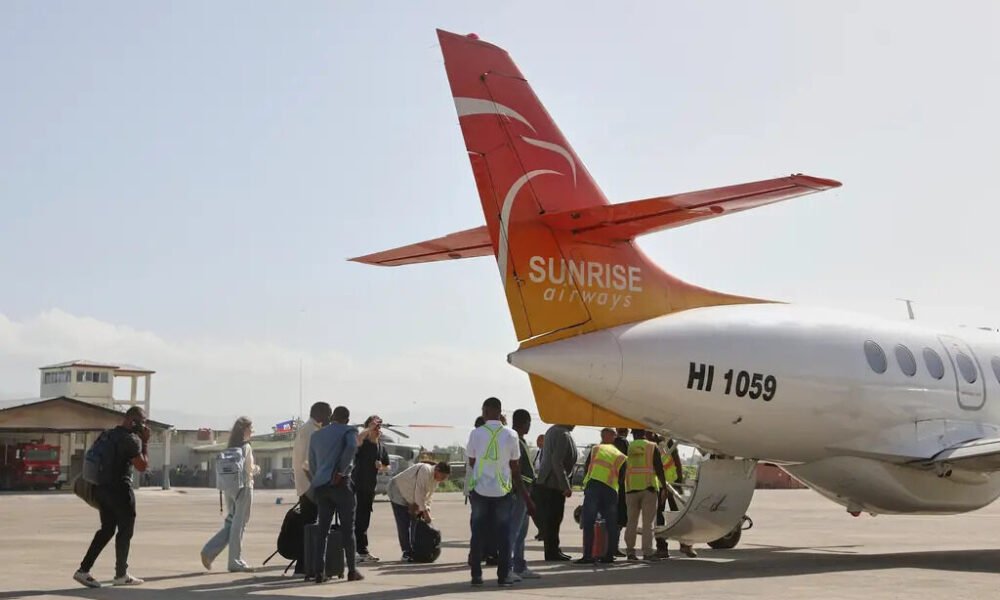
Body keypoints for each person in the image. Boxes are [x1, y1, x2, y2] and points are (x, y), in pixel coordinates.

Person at [74, 406, 150, 588]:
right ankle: (121, 574)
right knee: (126, 529)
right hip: (120, 490)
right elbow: (142, 466)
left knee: (107, 529)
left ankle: (83, 570)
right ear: (133, 421)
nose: (144, 427)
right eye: (143, 423)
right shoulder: (130, 440)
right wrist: (145, 442)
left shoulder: (107, 435)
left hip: (101, 488)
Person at [466, 397, 525, 587]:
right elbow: (515, 465)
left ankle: (476, 575)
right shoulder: (512, 435)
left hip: (480, 490)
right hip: (502, 491)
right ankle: (503, 575)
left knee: (478, 533)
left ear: (485, 412)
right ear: (500, 412)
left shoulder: (476, 433)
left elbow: (472, 461)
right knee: (504, 534)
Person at [308, 405, 363, 583]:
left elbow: (312, 462)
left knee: (322, 530)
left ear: (332, 418)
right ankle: (352, 570)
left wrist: (319, 477)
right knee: (348, 529)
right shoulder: (349, 431)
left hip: (321, 486)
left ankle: (319, 572)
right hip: (341, 485)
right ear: (347, 419)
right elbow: (352, 446)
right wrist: (341, 471)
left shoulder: (316, 436)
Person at [200, 417, 259, 572]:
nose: (252, 431)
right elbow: (249, 469)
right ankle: (235, 560)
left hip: (228, 488)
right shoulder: (246, 447)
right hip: (244, 487)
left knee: (231, 522)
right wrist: (256, 469)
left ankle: (209, 551)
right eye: (251, 429)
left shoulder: (231, 447)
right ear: (245, 430)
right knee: (239, 524)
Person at [576, 428, 627, 565]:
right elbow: (622, 477)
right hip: (610, 489)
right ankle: (609, 555)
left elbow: (587, 467)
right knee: (611, 524)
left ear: (602, 436)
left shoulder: (596, 449)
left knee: (589, 522)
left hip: (593, 487)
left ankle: (588, 555)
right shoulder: (620, 455)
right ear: (613, 437)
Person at [291, 402, 331, 574]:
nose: (329, 418)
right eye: (328, 414)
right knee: (310, 527)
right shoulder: (312, 432)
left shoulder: (308, 429)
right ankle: (303, 566)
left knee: (308, 525)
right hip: (310, 486)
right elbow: (307, 464)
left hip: (306, 484)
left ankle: (305, 565)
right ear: (320, 413)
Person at [387, 461, 451, 560]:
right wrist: (424, 512)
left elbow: (428, 496)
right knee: (404, 523)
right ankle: (406, 552)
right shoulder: (425, 470)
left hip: (410, 495)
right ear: (437, 470)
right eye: (442, 477)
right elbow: (419, 493)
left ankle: (415, 549)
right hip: (397, 490)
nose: (443, 480)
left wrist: (427, 510)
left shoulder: (435, 480)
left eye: (445, 478)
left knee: (415, 522)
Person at [623, 429, 668, 562]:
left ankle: (630, 553)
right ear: (644, 434)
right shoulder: (651, 446)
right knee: (648, 524)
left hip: (631, 489)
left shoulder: (629, 447)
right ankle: (647, 553)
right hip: (649, 489)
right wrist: (664, 487)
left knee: (631, 522)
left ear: (633, 435)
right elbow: (659, 468)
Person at [535, 423, 578, 561]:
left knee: (551, 519)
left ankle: (553, 549)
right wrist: (565, 485)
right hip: (553, 483)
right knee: (554, 519)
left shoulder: (552, 430)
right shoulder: (562, 434)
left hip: (548, 481)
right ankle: (552, 551)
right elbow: (556, 461)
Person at [651, 434, 696, 558]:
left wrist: (679, 482)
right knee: (660, 517)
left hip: (672, 483)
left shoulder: (667, 441)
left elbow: (676, 461)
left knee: (678, 514)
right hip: (659, 485)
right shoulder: (651, 443)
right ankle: (662, 547)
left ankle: (685, 544)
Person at [353, 415, 390, 563]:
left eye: (378, 427)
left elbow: (387, 465)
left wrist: (382, 466)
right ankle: (359, 550)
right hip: (357, 485)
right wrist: (369, 428)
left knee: (364, 520)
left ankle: (361, 551)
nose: (377, 429)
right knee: (356, 520)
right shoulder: (363, 443)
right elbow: (357, 440)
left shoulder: (381, 447)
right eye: (374, 427)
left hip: (370, 488)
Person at [509, 409, 540, 581]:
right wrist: (525, 496)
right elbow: (516, 470)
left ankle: (519, 566)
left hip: (524, 491)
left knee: (521, 532)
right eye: (529, 423)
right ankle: (507, 568)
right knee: (514, 532)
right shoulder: (515, 441)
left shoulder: (520, 440)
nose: (529, 427)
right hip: (519, 493)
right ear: (525, 423)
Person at [612, 428, 630, 557]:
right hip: (620, 485)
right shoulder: (623, 443)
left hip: (610, 483)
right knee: (619, 518)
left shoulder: (607, 444)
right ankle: (613, 546)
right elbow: (624, 464)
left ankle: (610, 546)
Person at [530, 433, 545, 541]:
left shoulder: (546, 452)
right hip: (536, 482)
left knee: (540, 509)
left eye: (539, 440)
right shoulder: (539, 452)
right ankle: (541, 530)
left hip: (542, 484)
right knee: (534, 509)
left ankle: (543, 531)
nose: (537, 443)